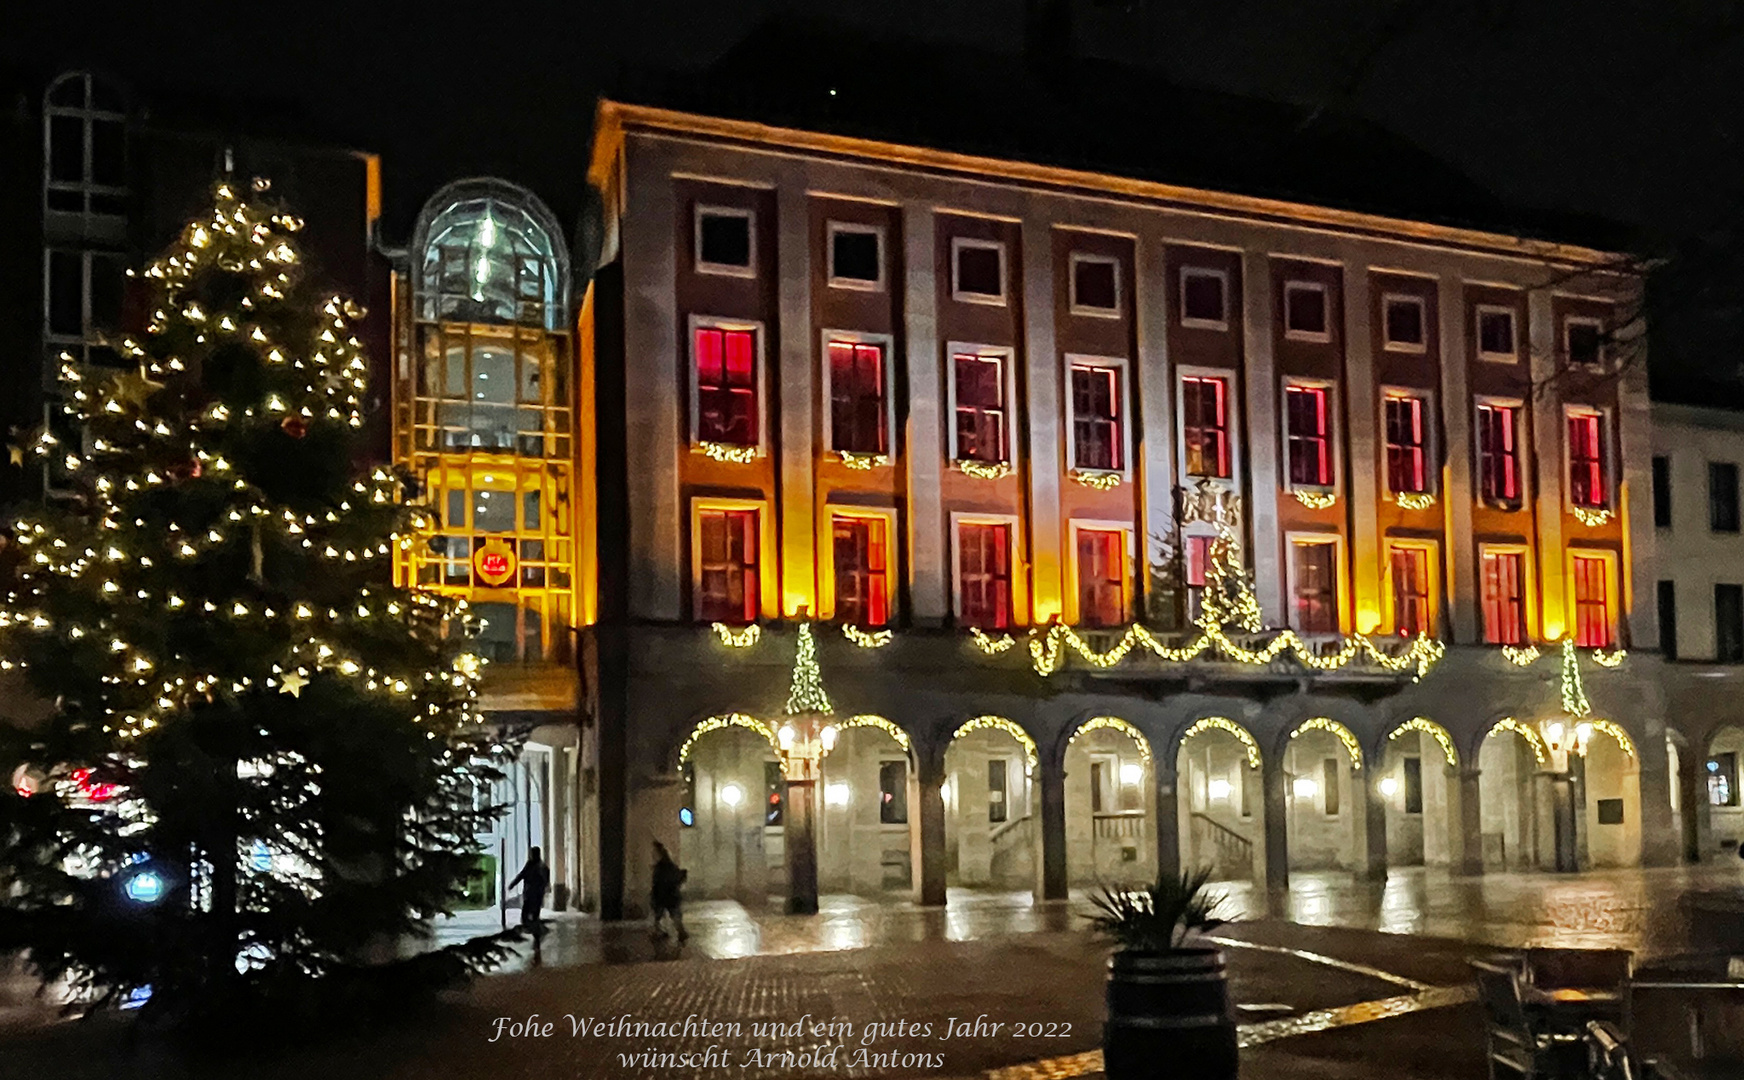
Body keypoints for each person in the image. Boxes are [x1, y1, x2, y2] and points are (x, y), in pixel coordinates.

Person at [508, 846, 551, 948]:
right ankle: (536, 932)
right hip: (533, 894)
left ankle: (537, 933)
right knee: (531, 915)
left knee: (529, 914)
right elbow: (522, 875)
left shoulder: (538, 866)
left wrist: (513, 884)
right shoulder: (537, 865)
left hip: (533, 894)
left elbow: (523, 875)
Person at [651, 841, 689, 942]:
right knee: (670, 915)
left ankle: (675, 932)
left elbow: (658, 882)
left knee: (663, 915)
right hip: (670, 894)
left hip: (665, 894)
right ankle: (678, 932)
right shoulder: (669, 866)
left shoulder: (662, 868)